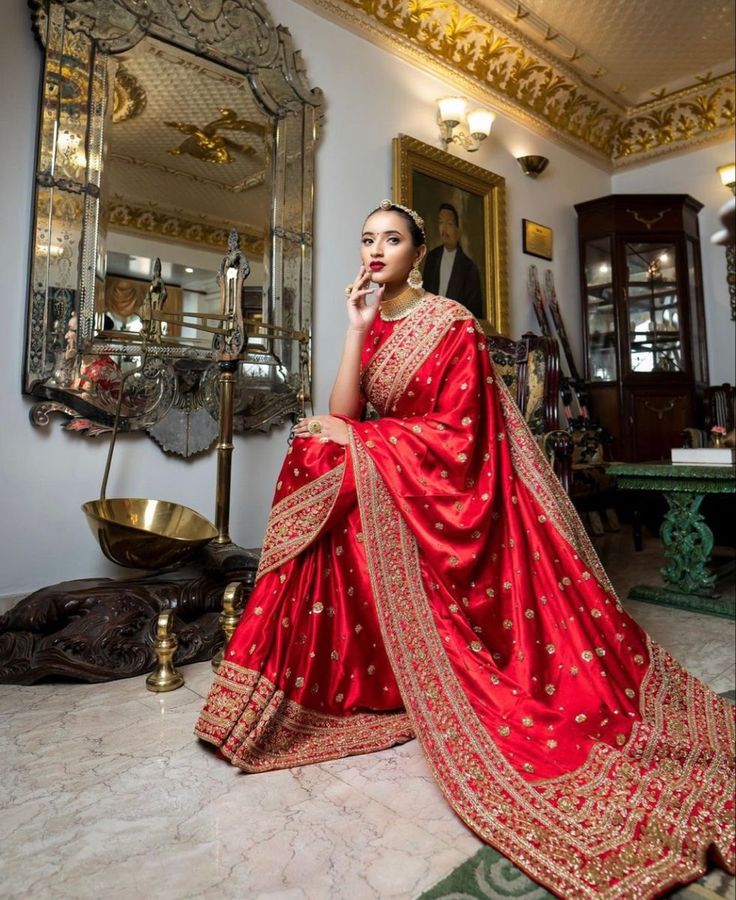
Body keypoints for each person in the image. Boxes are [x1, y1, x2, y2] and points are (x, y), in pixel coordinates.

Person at [195, 200, 735, 897]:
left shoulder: (450, 323)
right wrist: (356, 331)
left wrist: (364, 446)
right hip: (400, 473)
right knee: (311, 449)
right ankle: (303, 682)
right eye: (366, 239)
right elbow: (344, 414)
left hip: (450, 485)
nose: (376, 250)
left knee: (329, 454)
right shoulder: (373, 321)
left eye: (391, 239)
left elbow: (464, 438)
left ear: (420, 253)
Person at [422, 202, 484, 318]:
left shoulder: (469, 267)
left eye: (449, 224)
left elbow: (474, 313)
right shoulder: (432, 257)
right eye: (441, 223)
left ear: (458, 230)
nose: (444, 229)